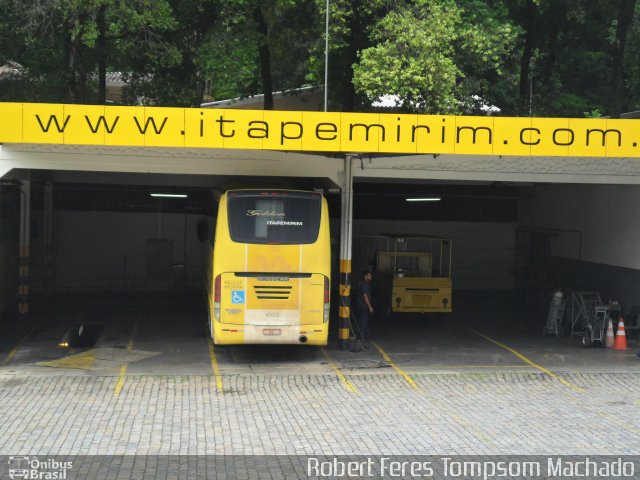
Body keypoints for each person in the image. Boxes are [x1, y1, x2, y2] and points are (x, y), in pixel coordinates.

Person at [356, 271, 373, 342]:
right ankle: (361, 337)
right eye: (369, 275)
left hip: (362, 305)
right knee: (363, 322)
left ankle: (366, 337)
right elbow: (365, 296)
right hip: (364, 306)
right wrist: (369, 306)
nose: (370, 276)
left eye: (370, 275)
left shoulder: (362, 283)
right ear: (365, 276)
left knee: (365, 321)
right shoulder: (365, 284)